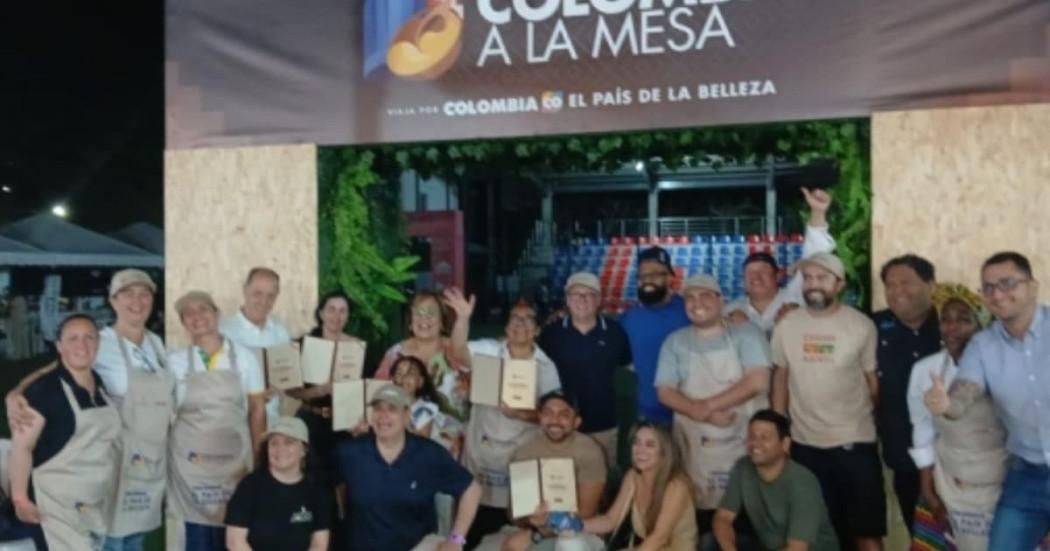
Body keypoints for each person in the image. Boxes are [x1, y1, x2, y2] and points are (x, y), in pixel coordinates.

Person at [5, 269, 173, 551]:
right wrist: (16, 392)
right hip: (113, 467)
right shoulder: (101, 340)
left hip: (148, 466)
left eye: (144, 294)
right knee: (111, 542)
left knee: (136, 540)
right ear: (113, 300)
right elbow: (54, 367)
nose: (137, 301)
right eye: (127, 294)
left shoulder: (156, 345)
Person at [924, 251, 1050, 550]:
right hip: (1027, 474)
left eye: (1007, 283)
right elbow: (961, 398)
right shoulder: (983, 345)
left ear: (1032, 286)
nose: (998, 294)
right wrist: (945, 405)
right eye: (989, 287)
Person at [770, 252, 885, 551]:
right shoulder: (786, 325)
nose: (813, 284)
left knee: (866, 532)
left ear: (839, 284)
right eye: (807, 278)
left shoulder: (861, 326)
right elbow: (780, 378)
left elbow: (873, 383)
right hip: (805, 446)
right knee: (813, 534)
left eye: (821, 278)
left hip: (855, 443)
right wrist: (778, 431)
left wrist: (856, 418)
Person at [655, 274, 771, 536]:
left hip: (743, 440)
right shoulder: (675, 342)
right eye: (690, 298)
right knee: (702, 518)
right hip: (696, 448)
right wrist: (700, 413)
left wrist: (705, 407)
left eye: (705, 295)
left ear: (721, 300)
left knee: (747, 518)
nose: (697, 303)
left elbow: (757, 382)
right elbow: (665, 392)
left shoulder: (747, 334)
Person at [8, 314, 121, 550]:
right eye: (73, 338)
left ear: (98, 343)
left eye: (89, 337)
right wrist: (20, 498)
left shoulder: (99, 384)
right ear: (59, 346)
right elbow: (22, 447)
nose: (82, 345)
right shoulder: (43, 391)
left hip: (93, 502)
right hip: (55, 506)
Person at [907, 283, 1004, 550]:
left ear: (982, 325)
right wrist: (929, 492)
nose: (952, 328)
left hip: (998, 482)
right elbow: (922, 431)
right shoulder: (925, 371)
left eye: (963, 320)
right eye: (946, 320)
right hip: (947, 481)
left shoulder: (1003, 370)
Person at [167, 290, 267, 550]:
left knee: (233, 535)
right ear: (183, 322)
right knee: (198, 537)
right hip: (191, 467)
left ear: (217, 314)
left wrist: (258, 459)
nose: (197, 316)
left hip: (234, 466)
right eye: (188, 312)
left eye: (203, 309)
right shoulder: (173, 363)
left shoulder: (245, 357)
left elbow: (257, 410)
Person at [333, 384, 482, 551]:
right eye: (378, 408)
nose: (383, 416)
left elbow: (471, 489)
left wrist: (456, 539)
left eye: (392, 409)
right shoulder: (350, 452)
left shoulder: (428, 454)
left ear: (407, 415)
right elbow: (330, 490)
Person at [462, 300, 562, 548]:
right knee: (473, 529)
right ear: (506, 327)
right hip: (482, 454)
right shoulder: (487, 351)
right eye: (514, 318)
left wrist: (519, 413)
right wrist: (463, 319)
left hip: (519, 457)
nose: (520, 324)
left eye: (528, 319)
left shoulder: (547, 367)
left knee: (515, 531)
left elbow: (552, 417)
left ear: (537, 329)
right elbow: (456, 352)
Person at [478, 390, 608, 551]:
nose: (555, 420)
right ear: (539, 417)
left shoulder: (590, 451)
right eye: (548, 413)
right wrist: (531, 521)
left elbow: (586, 512)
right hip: (531, 530)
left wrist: (539, 532)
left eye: (564, 415)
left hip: (580, 531)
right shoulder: (524, 453)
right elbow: (516, 515)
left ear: (577, 422)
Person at [872, 254, 941, 533]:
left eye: (906, 283)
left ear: (930, 285)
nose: (897, 291)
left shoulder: (953, 324)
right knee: (919, 530)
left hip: (954, 453)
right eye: (890, 284)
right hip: (902, 450)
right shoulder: (871, 327)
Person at [538, 272, 632, 467]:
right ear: (567, 299)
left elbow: (624, 363)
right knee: (560, 484)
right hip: (561, 425)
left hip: (603, 425)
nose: (581, 300)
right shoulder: (551, 334)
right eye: (575, 294)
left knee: (602, 484)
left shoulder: (615, 333)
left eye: (588, 294)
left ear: (598, 300)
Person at [712, 410, 839, 551]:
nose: (755, 443)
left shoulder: (803, 482)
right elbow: (723, 517)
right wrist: (729, 548)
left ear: (784, 444)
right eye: (752, 436)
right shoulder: (743, 467)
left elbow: (797, 548)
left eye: (764, 438)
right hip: (769, 546)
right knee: (710, 543)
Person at [723, 188, 835, 334]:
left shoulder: (796, 294)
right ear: (743, 280)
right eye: (750, 273)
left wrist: (818, 212)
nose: (756, 277)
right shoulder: (730, 310)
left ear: (778, 276)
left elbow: (817, 257)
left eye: (763, 271)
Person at [375, 288, 475, 447]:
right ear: (410, 322)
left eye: (431, 313)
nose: (424, 318)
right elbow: (378, 396)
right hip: (405, 445)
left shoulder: (454, 350)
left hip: (452, 448)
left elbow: (460, 348)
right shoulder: (395, 354)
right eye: (419, 313)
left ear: (442, 322)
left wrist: (463, 319)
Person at [580, 422, 698, 550]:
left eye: (650, 445)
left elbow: (659, 537)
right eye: (636, 442)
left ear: (664, 453)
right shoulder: (633, 476)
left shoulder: (677, 486)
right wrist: (576, 525)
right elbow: (610, 521)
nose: (640, 450)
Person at [286, 290, 363, 481]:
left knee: (345, 481)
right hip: (311, 421)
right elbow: (291, 390)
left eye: (342, 311)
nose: (337, 316)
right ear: (321, 313)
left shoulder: (358, 347)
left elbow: (365, 389)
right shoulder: (304, 344)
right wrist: (319, 390)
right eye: (331, 309)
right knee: (311, 480)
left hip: (345, 425)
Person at [225, 416, 331, 551]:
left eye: (289, 442)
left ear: (304, 450)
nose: (280, 449)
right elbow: (234, 542)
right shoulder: (250, 486)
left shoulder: (316, 490)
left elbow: (319, 544)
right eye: (274, 443)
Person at [620, 246, 690, 427]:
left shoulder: (689, 310)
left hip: (686, 415)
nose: (648, 280)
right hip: (644, 417)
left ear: (670, 277)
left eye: (655, 274)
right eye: (642, 276)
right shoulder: (630, 317)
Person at [219, 267, 292, 426]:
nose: (264, 302)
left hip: (271, 422)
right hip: (233, 425)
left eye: (271, 296)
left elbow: (285, 380)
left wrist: (279, 387)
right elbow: (214, 385)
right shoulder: (223, 331)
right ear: (245, 290)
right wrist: (251, 395)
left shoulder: (281, 333)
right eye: (257, 294)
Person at [391, 354, 443, 440]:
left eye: (410, 373)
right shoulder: (386, 406)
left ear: (420, 382)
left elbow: (423, 441)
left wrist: (407, 424)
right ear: (392, 380)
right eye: (399, 373)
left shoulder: (425, 408)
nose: (404, 377)